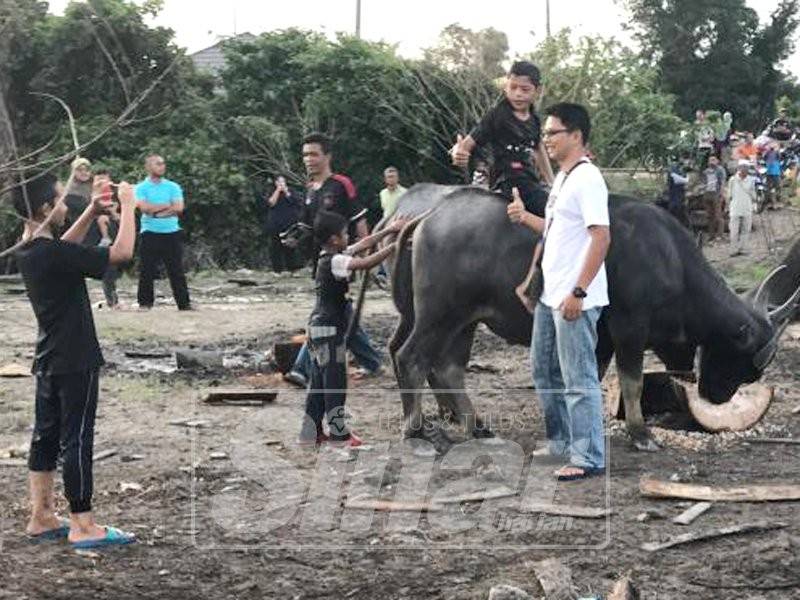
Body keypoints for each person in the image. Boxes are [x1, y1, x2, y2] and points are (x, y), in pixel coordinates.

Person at [14, 168, 137, 548]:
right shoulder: (54, 254)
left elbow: (62, 248)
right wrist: (129, 206)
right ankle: (83, 524)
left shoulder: (29, 249)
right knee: (77, 439)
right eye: (61, 199)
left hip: (49, 357)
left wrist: (90, 212)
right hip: (76, 358)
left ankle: (41, 515)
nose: (66, 204)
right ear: (45, 208)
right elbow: (122, 253)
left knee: (46, 437)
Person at [507, 102, 609, 481]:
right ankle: (562, 444)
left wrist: (578, 292)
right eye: (545, 133)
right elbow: (554, 231)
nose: (546, 139)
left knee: (578, 377)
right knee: (544, 370)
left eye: (553, 133)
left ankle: (588, 455)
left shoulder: (588, 178)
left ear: (576, 135)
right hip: (551, 295)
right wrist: (524, 218)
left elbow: (601, 236)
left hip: (574, 298)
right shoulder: (564, 179)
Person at [299, 211, 405, 447]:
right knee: (335, 383)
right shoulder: (336, 261)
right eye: (346, 234)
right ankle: (339, 434)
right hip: (329, 331)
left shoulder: (329, 255)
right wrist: (394, 246)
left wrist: (390, 230)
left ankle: (310, 432)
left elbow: (365, 244)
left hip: (318, 329)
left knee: (318, 383)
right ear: (335, 239)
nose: (349, 238)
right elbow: (366, 263)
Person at [284, 133, 382, 387]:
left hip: (341, 260)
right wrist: (294, 239)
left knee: (324, 313)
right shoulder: (310, 190)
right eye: (305, 155)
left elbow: (359, 220)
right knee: (339, 311)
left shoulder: (341, 184)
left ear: (327, 156)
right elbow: (307, 225)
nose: (308, 159)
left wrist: (365, 255)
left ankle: (301, 368)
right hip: (321, 261)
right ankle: (371, 360)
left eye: (313, 154)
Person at [451, 60, 554, 216]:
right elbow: (467, 144)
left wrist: (552, 182)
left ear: (537, 91)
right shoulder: (497, 115)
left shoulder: (534, 119)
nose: (518, 94)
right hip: (507, 180)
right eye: (513, 87)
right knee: (553, 211)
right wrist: (459, 153)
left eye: (525, 89)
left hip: (529, 180)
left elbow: (539, 148)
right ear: (506, 86)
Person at [135, 154, 192, 311]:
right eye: (158, 164)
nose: (162, 166)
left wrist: (157, 212)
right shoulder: (141, 188)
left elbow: (178, 208)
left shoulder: (173, 187)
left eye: (163, 163)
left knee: (176, 269)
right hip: (149, 232)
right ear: (148, 167)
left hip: (171, 232)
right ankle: (145, 303)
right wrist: (167, 206)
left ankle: (184, 303)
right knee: (147, 269)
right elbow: (144, 208)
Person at [94, 170, 123, 308]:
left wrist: (114, 212)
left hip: (113, 238)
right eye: (99, 180)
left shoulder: (115, 196)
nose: (102, 183)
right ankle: (111, 301)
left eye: (104, 179)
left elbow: (122, 219)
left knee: (111, 272)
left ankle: (112, 301)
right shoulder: (91, 197)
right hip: (94, 239)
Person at [265, 175, 301, 273]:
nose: (281, 184)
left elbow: (296, 202)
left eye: (283, 182)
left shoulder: (291, 191)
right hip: (275, 223)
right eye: (279, 182)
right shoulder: (271, 191)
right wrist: (277, 191)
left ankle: (293, 269)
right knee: (275, 247)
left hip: (289, 223)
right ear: (275, 183)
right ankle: (277, 270)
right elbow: (271, 203)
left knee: (290, 246)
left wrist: (286, 192)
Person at [726, 160, 756, 256]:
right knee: (734, 231)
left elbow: (753, 194)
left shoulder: (751, 180)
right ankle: (733, 249)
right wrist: (727, 206)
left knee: (746, 230)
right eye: (742, 167)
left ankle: (743, 248)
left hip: (747, 207)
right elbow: (729, 194)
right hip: (735, 208)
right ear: (739, 168)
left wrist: (754, 204)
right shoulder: (732, 180)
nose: (744, 169)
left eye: (746, 167)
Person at [702, 156, 725, 241]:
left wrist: (721, 193)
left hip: (716, 193)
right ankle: (711, 234)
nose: (711, 162)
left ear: (717, 161)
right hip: (707, 193)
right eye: (710, 160)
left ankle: (720, 234)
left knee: (718, 215)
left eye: (713, 160)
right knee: (709, 216)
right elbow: (704, 182)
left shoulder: (720, 170)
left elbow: (722, 182)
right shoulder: (706, 171)